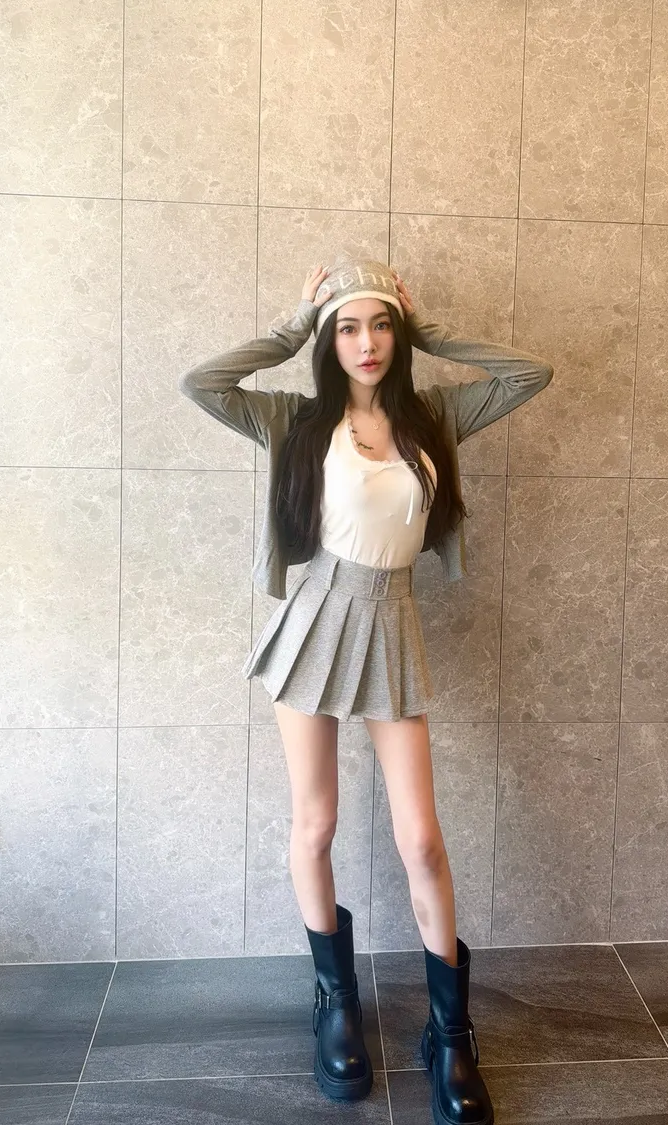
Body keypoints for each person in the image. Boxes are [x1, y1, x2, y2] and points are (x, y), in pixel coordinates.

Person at [179, 255, 554, 1125]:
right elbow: (202, 383)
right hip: (314, 621)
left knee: (422, 839)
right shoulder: (295, 419)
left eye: (381, 324)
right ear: (329, 340)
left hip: (393, 622)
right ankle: (335, 1003)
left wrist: (430, 330)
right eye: (348, 327)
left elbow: (530, 375)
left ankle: (449, 1033)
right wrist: (292, 324)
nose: (367, 342)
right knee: (316, 823)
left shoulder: (436, 417)